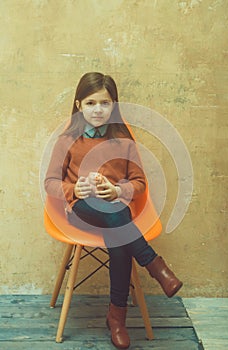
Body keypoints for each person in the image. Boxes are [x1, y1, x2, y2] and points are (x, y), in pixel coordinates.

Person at [44, 72, 183, 349]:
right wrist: (75, 190)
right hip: (82, 210)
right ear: (78, 105)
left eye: (105, 103)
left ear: (114, 106)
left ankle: (116, 318)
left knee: (118, 229)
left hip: (117, 211)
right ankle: (155, 266)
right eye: (91, 103)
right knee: (119, 222)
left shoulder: (125, 141)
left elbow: (140, 183)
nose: (98, 109)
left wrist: (118, 191)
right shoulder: (67, 140)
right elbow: (50, 183)